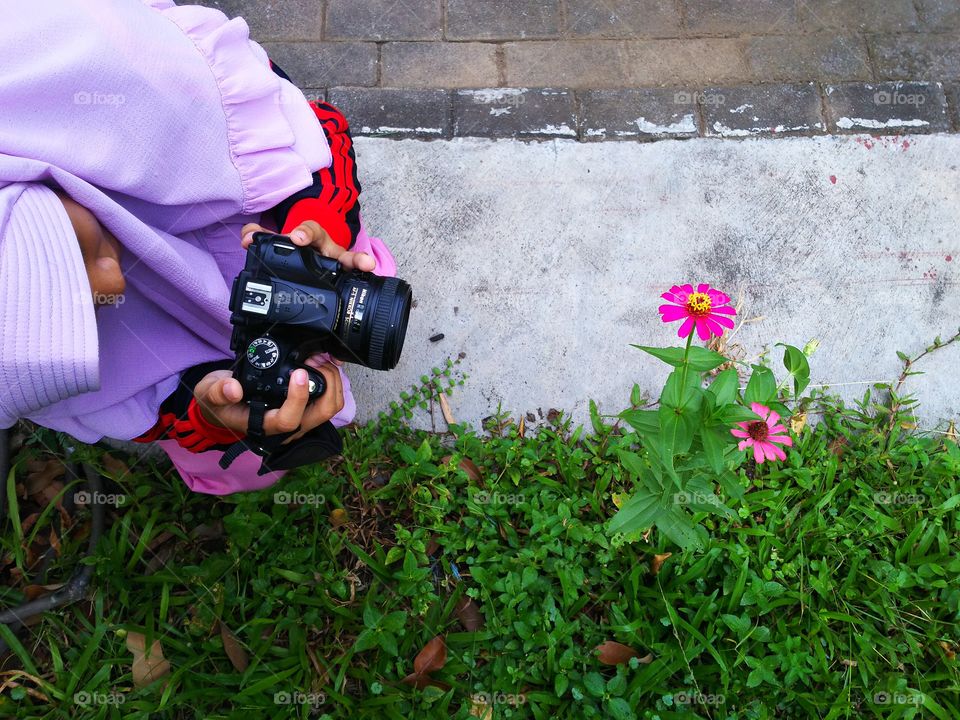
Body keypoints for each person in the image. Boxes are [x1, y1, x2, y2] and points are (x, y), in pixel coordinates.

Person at [0, 0, 397, 494]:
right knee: (247, 456)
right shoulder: (23, 366)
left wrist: (315, 221)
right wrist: (208, 410)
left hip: (246, 212)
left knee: (340, 276)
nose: (114, 283)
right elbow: (155, 415)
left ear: (30, 176)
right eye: (83, 321)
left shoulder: (96, 80)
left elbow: (313, 124)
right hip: (218, 376)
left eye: (74, 254)